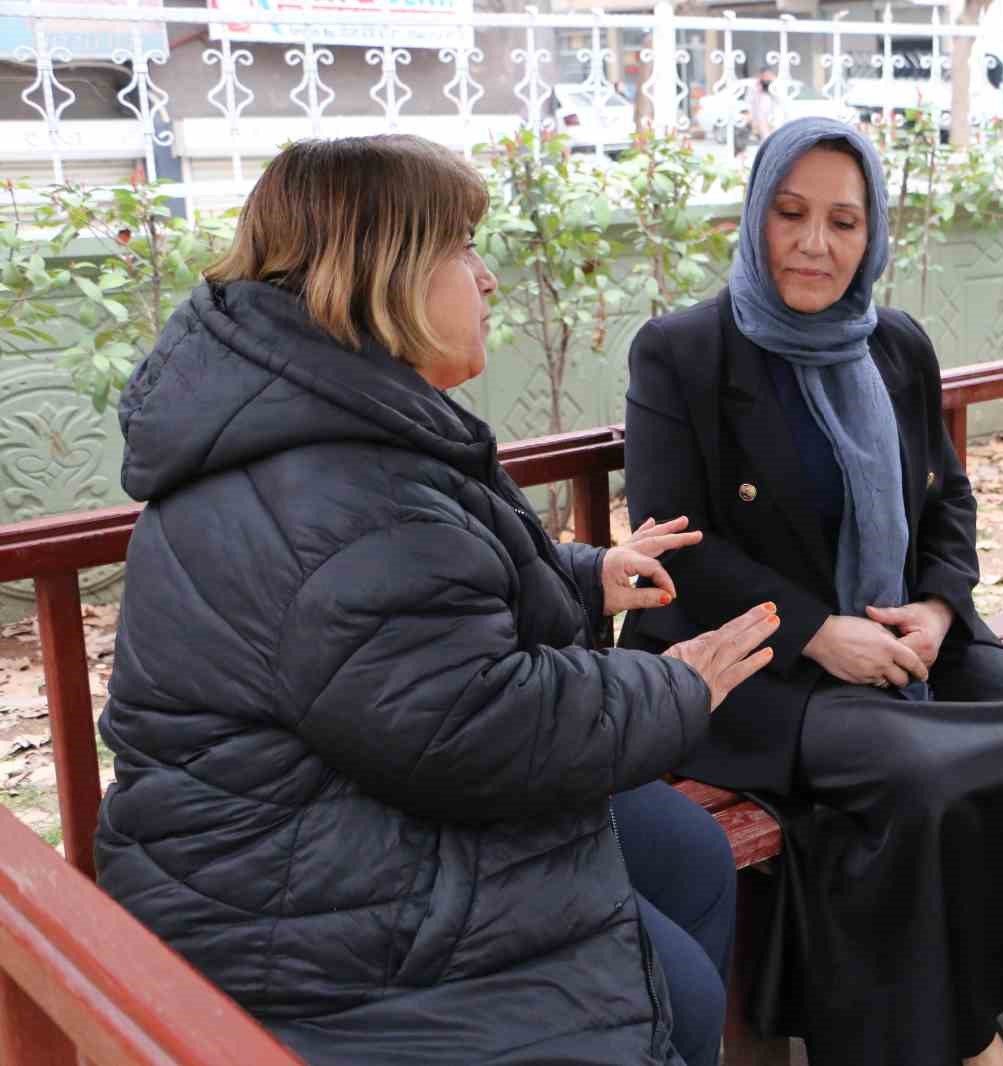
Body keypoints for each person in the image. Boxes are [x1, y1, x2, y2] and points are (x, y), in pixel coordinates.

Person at [94, 134, 779, 1066]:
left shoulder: (325, 417)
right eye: (462, 247)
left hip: (333, 792)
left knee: (684, 852)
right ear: (385, 272)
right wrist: (677, 687)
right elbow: (468, 720)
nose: (488, 278)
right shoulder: (338, 484)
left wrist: (587, 577)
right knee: (682, 998)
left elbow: (411, 618)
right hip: (288, 893)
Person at [619, 116, 1003, 1066]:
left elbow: (949, 497)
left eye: (844, 222)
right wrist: (817, 633)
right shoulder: (682, 352)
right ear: (757, 217)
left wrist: (935, 607)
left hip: (904, 637)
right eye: (791, 213)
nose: (816, 244)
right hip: (756, 669)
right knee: (927, 781)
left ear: (873, 231)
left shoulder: (895, 344)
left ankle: (989, 983)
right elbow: (680, 544)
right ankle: (961, 1042)